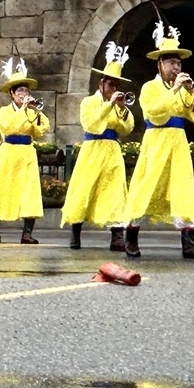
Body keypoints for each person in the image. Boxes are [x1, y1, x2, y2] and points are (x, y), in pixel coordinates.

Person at [123, 21, 194, 260]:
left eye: (179, 62)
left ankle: (188, 243)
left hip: (178, 141)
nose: (176, 66)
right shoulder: (150, 87)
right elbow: (154, 112)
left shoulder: (183, 87)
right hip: (157, 140)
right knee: (146, 186)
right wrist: (173, 91)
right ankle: (131, 234)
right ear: (160, 64)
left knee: (182, 188)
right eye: (171, 62)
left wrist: (191, 91)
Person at [62, 41, 135, 251]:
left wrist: (121, 109)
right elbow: (91, 124)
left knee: (115, 190)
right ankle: (75, 231)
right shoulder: (88, 102)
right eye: (111, 84)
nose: (114, 89)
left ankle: (116, 236)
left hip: (112, 150)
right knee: (84, 189)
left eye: (116, 86)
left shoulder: (118, 106)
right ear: (100, 85)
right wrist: (108, 105)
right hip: (92, 149)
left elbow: (127, 128)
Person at [0, 56, 49, 244]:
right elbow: (8, 127)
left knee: (29, 191)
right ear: (11, 93)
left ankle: (27, 233)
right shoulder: (4, 111)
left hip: (27, 152)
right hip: (9, 152)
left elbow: (40, 131)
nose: (23, 93)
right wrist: (22, 111)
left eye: (26, 90)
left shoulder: (32, 111)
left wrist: (37, 112)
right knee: (1, 189)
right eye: (20, 90)